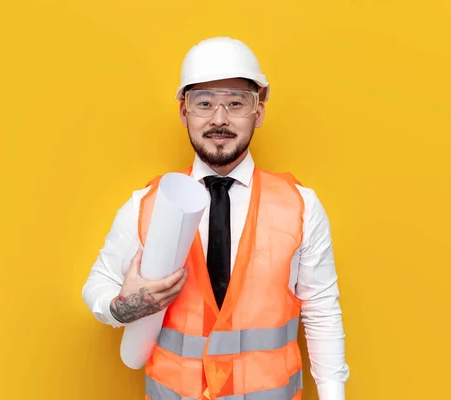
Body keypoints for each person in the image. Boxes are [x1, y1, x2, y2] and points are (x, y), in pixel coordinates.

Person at [82, 36, 350, 399]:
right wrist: (124, 307)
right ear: (184, 112)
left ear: (259, 112)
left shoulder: (300, 205)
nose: (219, 119)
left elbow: (322, 310)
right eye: (204, 103)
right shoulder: (147, 205)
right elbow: (97, 286)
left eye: (236, 103)